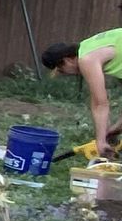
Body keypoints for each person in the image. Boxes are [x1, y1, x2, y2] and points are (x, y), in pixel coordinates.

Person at [43, 29, 122, 157]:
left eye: (62, 71)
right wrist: (117, 128)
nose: (67, 75)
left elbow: (100, 104)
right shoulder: (89, 46)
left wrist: (101, 142)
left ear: (67, 61)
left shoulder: (87, 60)